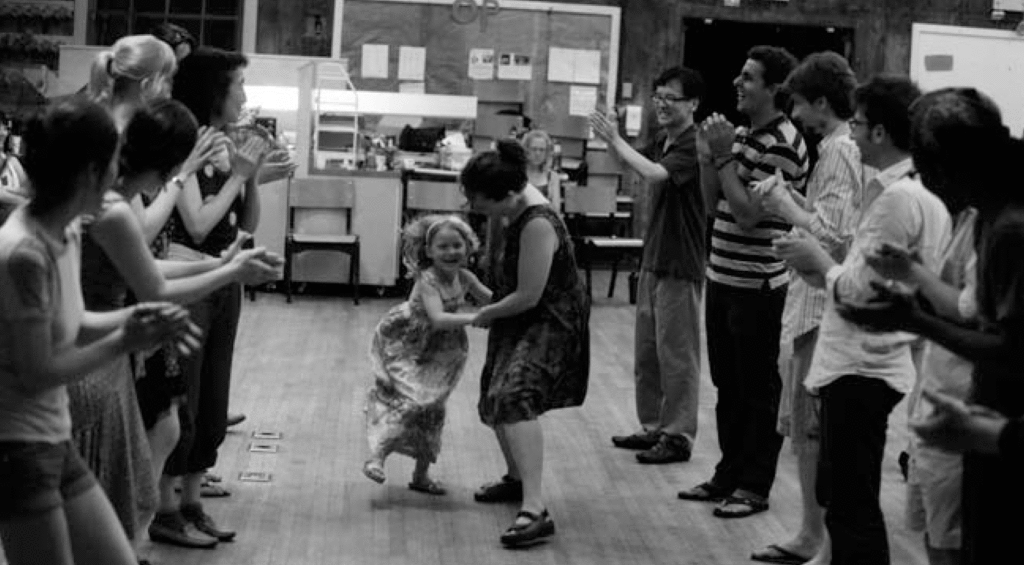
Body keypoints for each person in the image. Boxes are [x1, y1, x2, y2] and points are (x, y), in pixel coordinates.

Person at [79, 99, 279, 552]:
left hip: (101, 349)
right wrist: (228, 271)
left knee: (159, 437)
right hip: (95, 358)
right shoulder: (108, 207)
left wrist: (222, 264)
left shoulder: (106, 203)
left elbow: (146, 266)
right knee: (122, 469)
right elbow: (152, 282)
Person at [0, 98, 195, 565]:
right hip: (17, 450)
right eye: (113, 161)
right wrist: (125, 340)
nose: (117, 173)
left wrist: (139, 320)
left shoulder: (64, 230)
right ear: (91, 171)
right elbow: (39, 371)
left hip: (51, 439)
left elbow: (78, 323)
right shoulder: (25, 252)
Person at [835, 88, 1024, 565]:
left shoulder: (1010, 225)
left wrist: (912, 318)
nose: (928, 185)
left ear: (947, 168)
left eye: (926, 170)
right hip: (990, 418)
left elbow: (1012, 352)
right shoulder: (990, 208)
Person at [774, 76, 951, 565]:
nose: (849, 134)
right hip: (864, 362)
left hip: (863, 365)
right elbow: (862, 275)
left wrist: (816, 259)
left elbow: (858, 289)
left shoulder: (898, 197)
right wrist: (820, 267)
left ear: (878, 133)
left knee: (853, 507)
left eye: (856, 123)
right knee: (846, 496)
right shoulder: (902, 191)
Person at [678, 45, 808, 519]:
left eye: (749, 77)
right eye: (739, 74)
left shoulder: (782, 141)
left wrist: (723, 160)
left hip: (758, 285)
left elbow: (752, 215)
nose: (737, 82)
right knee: (727, 386)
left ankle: (754, 485)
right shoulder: (742, 135)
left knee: (756, 391)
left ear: (775, 88)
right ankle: (727, 474)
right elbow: (716, 207)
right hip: (722, 275)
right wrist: (708, 158)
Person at [748, 52, 863, 565]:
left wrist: (782, 205)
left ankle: (818, 540)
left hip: (821, 307)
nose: (793, 114)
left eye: (797, 103)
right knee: (808, 433)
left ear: (821, 101)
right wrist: (795, 199)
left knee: (814, 434)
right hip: (815, 303)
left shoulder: (840, 150)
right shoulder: (836, 149)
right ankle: (811, 535)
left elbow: (834, 240)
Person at [153, 46, 269, 548]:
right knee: (185, 396)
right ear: (213, 92)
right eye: (237, 85)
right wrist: (239, 176)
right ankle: (166, 507)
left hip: (223, 278)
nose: (243, 95)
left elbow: (244, 223)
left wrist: (254, 177)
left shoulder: (222, 144)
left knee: (214, 393)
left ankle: (194, 501)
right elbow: (197, 226)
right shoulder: (186, 143)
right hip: (188, 279)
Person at [462, 140, 590, 548]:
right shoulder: (507, 213)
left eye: (479, 200)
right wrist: (470, 286)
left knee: (514, 395)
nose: (473, 206)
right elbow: (507, 287)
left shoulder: (537, 222)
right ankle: (516, 479)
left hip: (550, 321)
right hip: (520, 314)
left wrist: (487, 313)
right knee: (494, 394)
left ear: (507, 195)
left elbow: (530, 296)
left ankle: (535, 509)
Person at [590, 66, 706, 465]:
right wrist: (611, 140)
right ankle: (654, 425)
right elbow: (635, 166)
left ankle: (677, 435)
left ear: (693, 104)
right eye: (657, 97)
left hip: (680, 261)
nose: (661, 105)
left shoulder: (694, 143)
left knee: (677, 353)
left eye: (670, 99)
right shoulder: (664, 139)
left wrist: (616, 140)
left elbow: (654, 175)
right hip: (655, 256)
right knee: (647, 352)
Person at [362, 214, 492, 494]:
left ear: (468, 248)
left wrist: (516, 304)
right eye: (442, 246)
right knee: (408, 401)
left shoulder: (466, 277)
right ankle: (377, 457)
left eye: (457, 245)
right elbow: (438, 318)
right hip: (408, 343)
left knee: (432, 408)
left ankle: (421, 475)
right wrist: (476, 318)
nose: (451, 252)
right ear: (429, 251)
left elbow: (492, 300)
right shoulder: (427, 280)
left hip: (443, 350)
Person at [521, 130, 562, 212]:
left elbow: (556, 209)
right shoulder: (518, 173)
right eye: (534, 149)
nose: (538, 153)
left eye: (542, 150)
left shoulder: (553, 177)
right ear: (526, 150)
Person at [0, 111, 28, 220]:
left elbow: (27, 189)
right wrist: (24, 204)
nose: (3, 133)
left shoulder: (12, 161)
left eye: (5, 128)